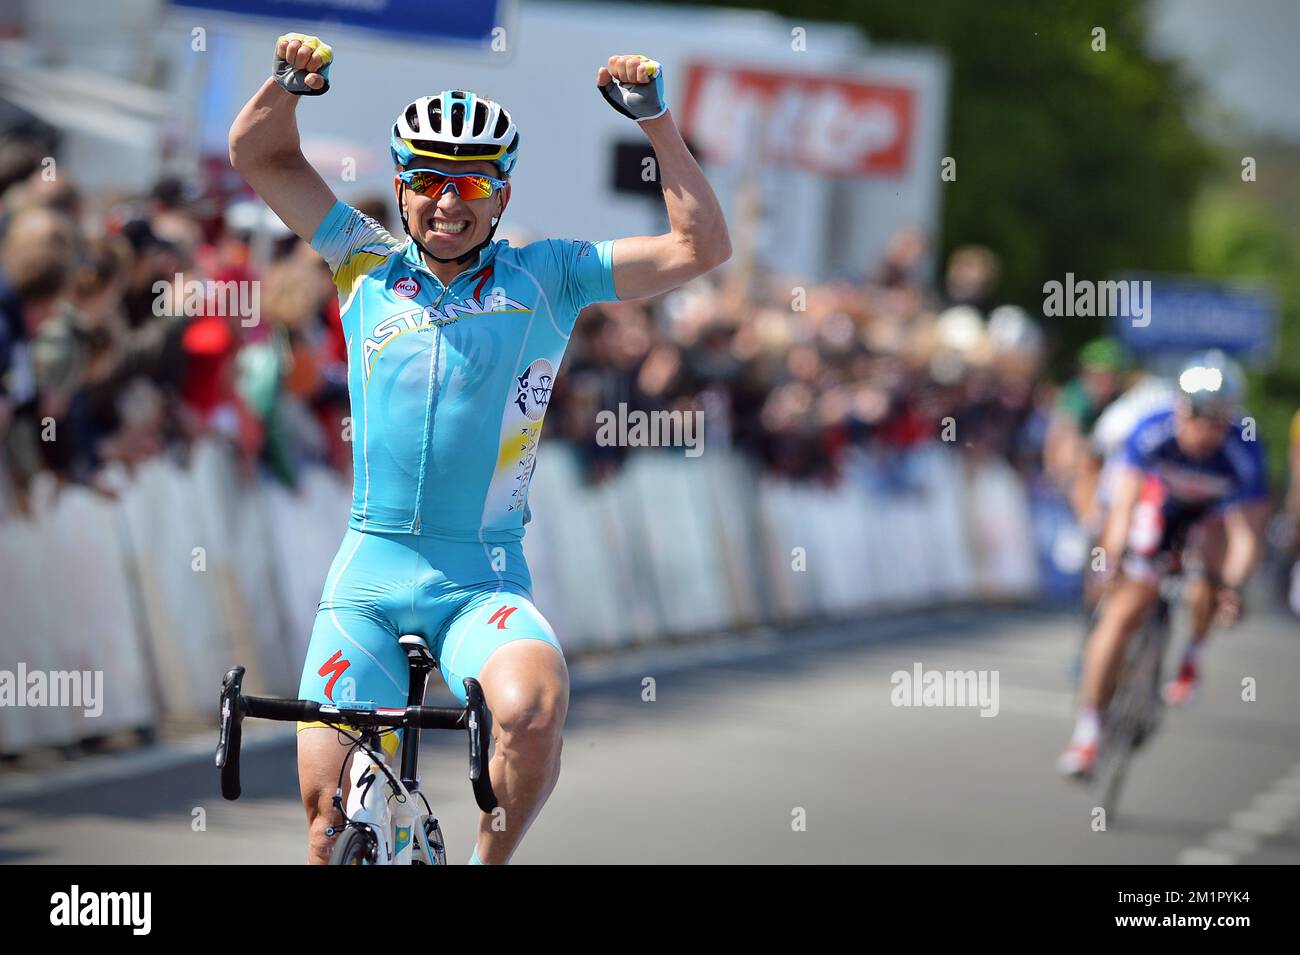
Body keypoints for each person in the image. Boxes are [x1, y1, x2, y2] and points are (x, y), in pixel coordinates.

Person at [228, 33, 730, 864]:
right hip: (368, 576)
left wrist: (658, 125)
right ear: (400, 186)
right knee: (325, 829)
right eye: (426, 180)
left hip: (480, 583)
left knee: (531, 709)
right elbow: (259, 152)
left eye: (469, 183)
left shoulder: (550, 276)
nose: (446, 201)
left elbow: (700, 247)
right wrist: (287, 85)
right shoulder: (362, 259)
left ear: (500, 194)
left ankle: (485, 862)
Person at [1057, 351, 1267, 778]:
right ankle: (1087, 734)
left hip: (1212, 516)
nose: (1204, 428)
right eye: (1196, 414)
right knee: (1122, 612)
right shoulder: (1152, 430)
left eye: (1217, 418)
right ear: (1179, 406)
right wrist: (1114, 557)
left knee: (1212, 566)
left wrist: (1232, 586)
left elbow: (1246, 536)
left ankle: (1193, 653)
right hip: (1161, 508)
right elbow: (1124, 505)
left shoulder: (1245, 449)